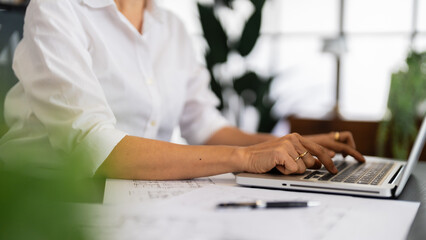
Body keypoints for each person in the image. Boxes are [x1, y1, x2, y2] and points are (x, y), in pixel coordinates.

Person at [0, 0, 365, 179]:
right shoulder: (57, 8)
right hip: (47, 203)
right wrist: (244, 157)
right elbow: (94, 147)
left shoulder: (171, 27)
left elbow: (205, 126)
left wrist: (295, 144)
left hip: (134, 203)